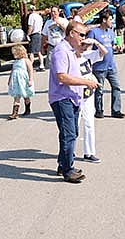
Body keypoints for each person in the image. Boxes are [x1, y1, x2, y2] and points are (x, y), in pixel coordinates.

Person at [49, 21, 100, 183]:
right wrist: (86, 83)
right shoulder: (61, 51)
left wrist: (85, 46)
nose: (84, 38)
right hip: (62, 98)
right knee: (69, 134)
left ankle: (62, 164)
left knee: (69, 133)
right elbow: (62, 77)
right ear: (72, 33)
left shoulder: (71, 50)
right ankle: (68, 170)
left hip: (73, 98)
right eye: (82, 35)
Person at [88, 10, 125, 119]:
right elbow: (89, 48)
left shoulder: (110, 32)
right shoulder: (94, 32)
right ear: (104, 20)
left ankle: (116, 110)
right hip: (99, 67)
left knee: (116, 87)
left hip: (111, 65)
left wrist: (117, 48)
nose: (112, 22)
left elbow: (112, 46)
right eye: (110, 19)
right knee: (99, 90)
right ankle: (99, 110)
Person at [76, 36, 108, 163]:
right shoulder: (70, 57)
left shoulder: (87, 55)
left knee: (89, 123)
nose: (83, 46)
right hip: (76, 94)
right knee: (74, 125)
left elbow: (104, 52)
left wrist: (95, 42)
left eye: (84, 44)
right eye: (81, 44)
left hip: (88, 93)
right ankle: (70, 152)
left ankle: (89, 152)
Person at [7, 45, 34, 120]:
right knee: (16, 96)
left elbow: (30, 70)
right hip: (16, 81)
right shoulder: (15, 62)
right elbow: (12, 71)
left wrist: (30, 80)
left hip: (23, 80)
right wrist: (9, 79)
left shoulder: (26, 61)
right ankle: (15, 113)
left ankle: (27, 109)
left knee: (26, 95)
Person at [26, 5, 45, 71]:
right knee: (38, 51)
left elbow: (30, 26)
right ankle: (42, 65)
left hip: (34, 34)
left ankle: (30, 67)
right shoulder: (39, 16)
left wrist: (28, 34)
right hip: (39, 34)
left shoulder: (31, 16)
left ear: (30, 10)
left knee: (31, 52)